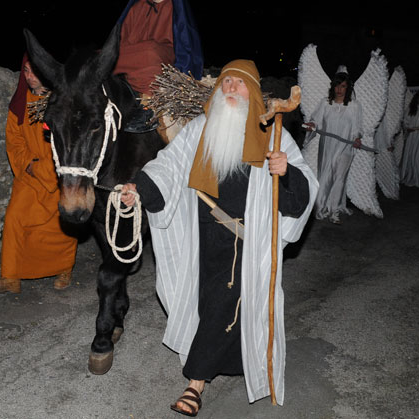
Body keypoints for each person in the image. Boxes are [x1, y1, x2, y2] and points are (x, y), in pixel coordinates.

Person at [119, 60, 317, 414]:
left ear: (253, 93)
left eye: (238, 85)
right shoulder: (200, 129)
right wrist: (141, 188)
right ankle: (224, 366)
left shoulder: (273, 135)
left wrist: (286, 172)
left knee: (227, 305)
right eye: (225, 83)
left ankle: (194, 384)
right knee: (211, 304)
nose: (230, 89)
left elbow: (305, 188)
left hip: (250, 241)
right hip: (205, 239)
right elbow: (169, 164)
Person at [0, 53, 77, 293]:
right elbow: (14, 139)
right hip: (29, 175)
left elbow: (69, 143)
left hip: (58, 177)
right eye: (25, 71)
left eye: (34, 71)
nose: (29, 77)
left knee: (59, 228)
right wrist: (29, 164)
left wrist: (45, 168)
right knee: (15, 218)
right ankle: (10, 277)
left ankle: (64, 269)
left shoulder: (62, 103)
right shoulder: (20, 103)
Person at [114, 0, 204, 139]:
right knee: (107, 54)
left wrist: (184, 72)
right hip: (135, 56)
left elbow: (185, 43)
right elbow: (122, 39)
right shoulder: (136, 8)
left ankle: (148, 106)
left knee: (150, 51)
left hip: (161, 57)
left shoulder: (176, 9)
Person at [303, 68, 363, 224]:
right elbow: (315, 119)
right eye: (337, 86)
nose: (339, 90)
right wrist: (311, 125)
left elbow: (357, 127)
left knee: (340, 178)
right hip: (328, 145)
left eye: (343, 86)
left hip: (346, 147)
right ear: (333, 87)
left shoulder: (354, 105)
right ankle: (320, 207)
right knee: (326, 175)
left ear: (347, 88)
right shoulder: (325, 103)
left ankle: (334, 211)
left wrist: (357, 138)